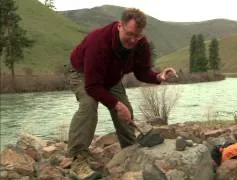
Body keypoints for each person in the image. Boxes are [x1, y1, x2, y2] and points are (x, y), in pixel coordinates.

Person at [63, 8, 177, 179]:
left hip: (111, 77)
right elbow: (93, 86)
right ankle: (77, 158)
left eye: (137, 36)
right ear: (120, 26)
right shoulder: (99, 41)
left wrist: (159, 76)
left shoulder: (141, 43)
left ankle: (130, 150)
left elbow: (142, 72)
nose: (132, 40)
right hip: (83, 74)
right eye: (129, 34)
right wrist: (116, 105)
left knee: (126, 111)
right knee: (89, 105)